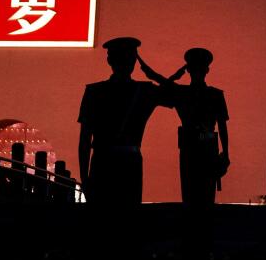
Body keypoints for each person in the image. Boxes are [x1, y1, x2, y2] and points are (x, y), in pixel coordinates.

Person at [77, 37, 181, 204]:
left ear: (109, 60)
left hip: (102, 163)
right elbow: (179, 97)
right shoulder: (145, 91)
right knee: (128, 220)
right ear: (134, 61)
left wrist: (84, 178)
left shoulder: (94, 91)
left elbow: (84, 139)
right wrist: (153, 75)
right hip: (130, 162)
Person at [140, 48, 229, 205]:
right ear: (207, 69)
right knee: (202, 195)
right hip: (206, 146)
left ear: (188, 70)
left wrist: (176, 75)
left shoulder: (182, 92)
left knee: (191, 193)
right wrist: (226, 153)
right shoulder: (215, 94)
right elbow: (222, 127)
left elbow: (158, 80)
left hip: (191, 147)